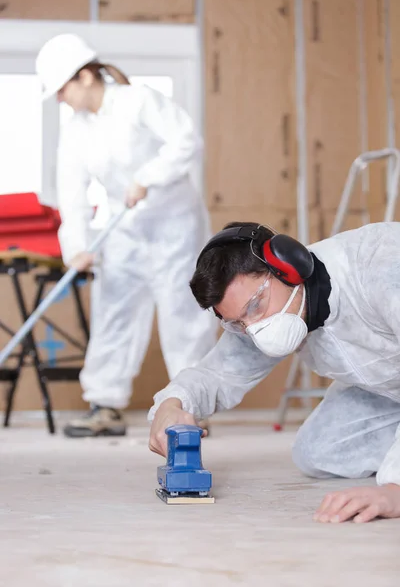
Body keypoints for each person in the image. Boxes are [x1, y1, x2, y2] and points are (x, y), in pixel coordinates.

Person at [148, 221, 400, 523]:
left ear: (288, 265)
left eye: (256, 307)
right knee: (319, 450)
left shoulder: (378, 261)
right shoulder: (267, 310)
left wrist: (395, 489)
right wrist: (172, 404)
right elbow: (219, 373)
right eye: (239, 323)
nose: (254, 330)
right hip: (388, 389)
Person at [35, 33, 217, 438]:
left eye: (62, 89)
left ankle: (192, 406)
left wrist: (148, 178)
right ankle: (105, 404)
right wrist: (77, 246)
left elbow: (187, 140)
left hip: (173, 224)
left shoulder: (138, 100)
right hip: (124, 228)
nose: (61, 99)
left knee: (183, 314)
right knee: (113, 312)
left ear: (84, 76)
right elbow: (72, 191)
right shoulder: (76, 131)